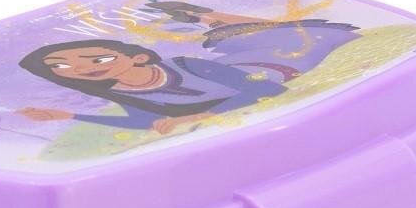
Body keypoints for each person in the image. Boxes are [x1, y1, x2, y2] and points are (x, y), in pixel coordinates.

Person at [17, 39, 287, 133]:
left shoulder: (186, 65)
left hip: (267, 65)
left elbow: (265, 89)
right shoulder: (120, 91)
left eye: (99, 59)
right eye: (60, 67)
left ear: (139, 57)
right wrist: (70, 115)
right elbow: (145, 122)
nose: (82, 69)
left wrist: (198, 116)